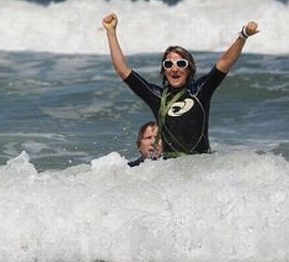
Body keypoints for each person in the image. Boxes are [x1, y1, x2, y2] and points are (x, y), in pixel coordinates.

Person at [103, 13, 259, 158]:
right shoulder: (157, 97)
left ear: (189, 69)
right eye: (169, 64)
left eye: (181, 63)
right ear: (164, 71)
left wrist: (243, 35)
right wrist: (111, 32)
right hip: (172, 170)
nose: (175, 68)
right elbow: (123, 71)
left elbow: (225, 63)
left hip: (202, 165)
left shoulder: (200, 91)